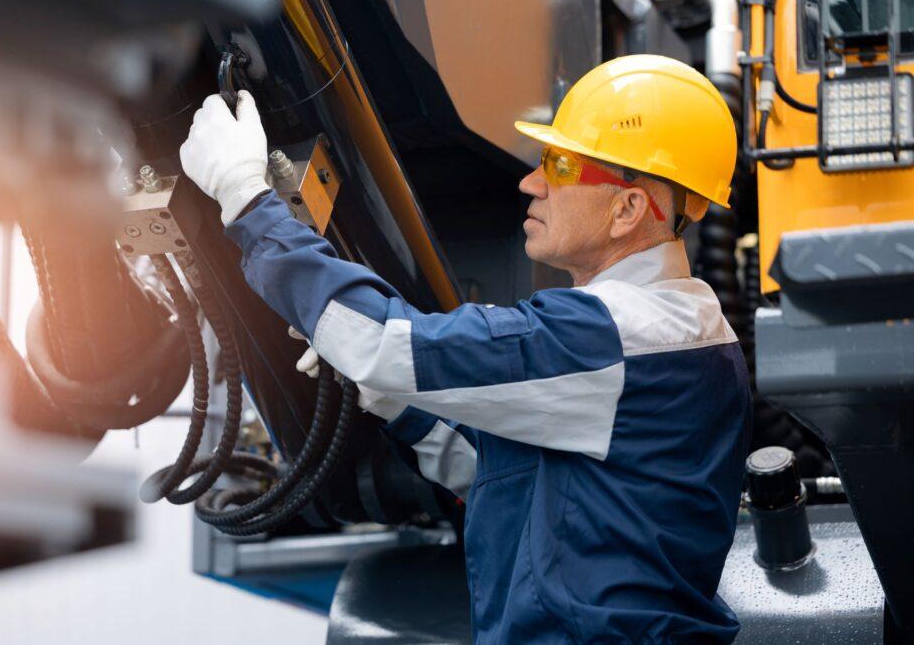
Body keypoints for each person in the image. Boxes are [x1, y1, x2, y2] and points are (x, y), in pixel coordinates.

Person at [179, 54, 752, 643]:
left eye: (559, 164)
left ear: (628, 208)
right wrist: (382, 389)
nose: (531, 182)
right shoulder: (659, 337)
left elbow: (392, 343)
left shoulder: (623, 335)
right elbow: (500, 471)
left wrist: (247, 198)